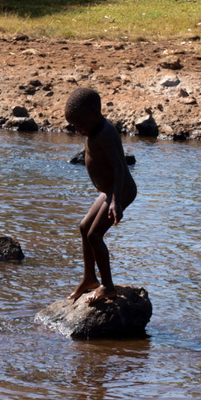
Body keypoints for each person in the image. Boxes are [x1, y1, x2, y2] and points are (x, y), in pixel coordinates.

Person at [64, 87, 137, 304]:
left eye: (80, 125)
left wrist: (115, 202)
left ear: (95, 114)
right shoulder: (93, 130)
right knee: (84, 227)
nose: (78, 130)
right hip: (109, 191)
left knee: (95, 235)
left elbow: (120, 168)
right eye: (74, 126)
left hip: (120, 192)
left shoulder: (105, 133)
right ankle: (89, 278)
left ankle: (108, 286)